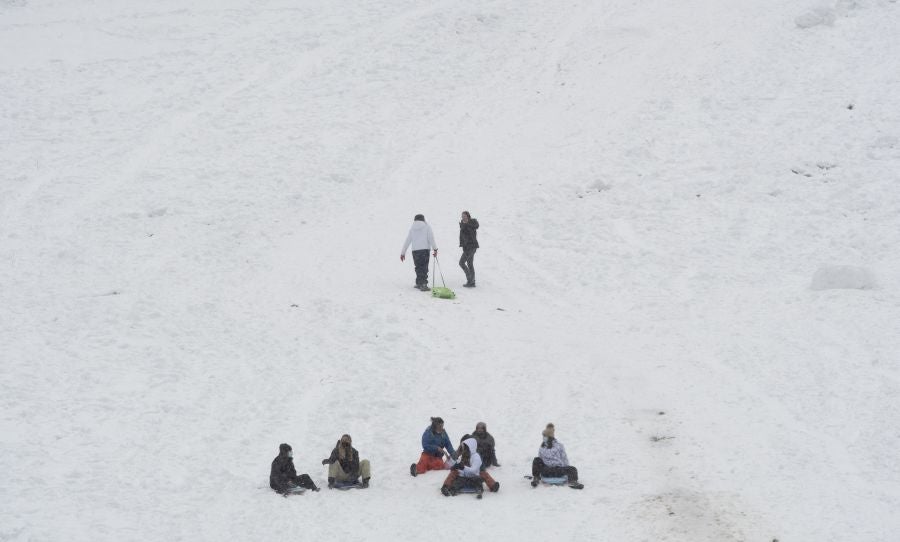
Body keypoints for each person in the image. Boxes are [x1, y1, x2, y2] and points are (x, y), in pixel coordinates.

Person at [530, 424, 584, 489]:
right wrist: (566, 469)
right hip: (556, 471)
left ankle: (572, 482)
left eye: (545, 436)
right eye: (543, 436)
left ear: (549, 437)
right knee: (572, 469)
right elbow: (564, 459)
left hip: (548, 471)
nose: (543, 437)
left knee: (537, 460)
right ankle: (536, 478)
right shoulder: (548, 446)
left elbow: (564, 458)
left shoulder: (553, 446)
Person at [400, 214, 438, 291]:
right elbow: (431, 238)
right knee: (424, 267)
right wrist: (435, 249)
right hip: (424, 250)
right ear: (423, 219)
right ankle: (423, 284)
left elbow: (407, 241)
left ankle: (419, 283)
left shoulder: (412, 229)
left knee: (418, 267)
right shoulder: (427, 227)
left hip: (415, 251)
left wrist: (403, 253)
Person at [458, 211, 479, 287]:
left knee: (461, 263)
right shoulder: (463, 224)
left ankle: (470, 280)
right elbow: (463, 237)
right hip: (467, 247)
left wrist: (467, 224)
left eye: (464, 215)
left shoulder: (472, 223)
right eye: (462, 216)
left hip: (471, 247)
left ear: (468, 216)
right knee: (470, 264)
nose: (463, 217)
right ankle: (472, 281)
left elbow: (476, 226)